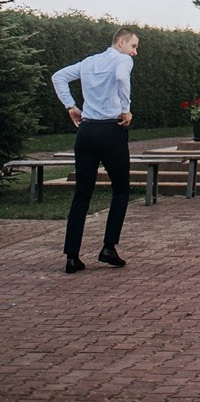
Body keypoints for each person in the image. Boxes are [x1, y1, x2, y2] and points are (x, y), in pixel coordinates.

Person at [51, 28, 140, 274]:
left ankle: (72, 256)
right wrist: (126, 109)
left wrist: (70, 106)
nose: (135, 52)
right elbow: (121, 78)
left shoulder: (89, 62)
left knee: (82, 193)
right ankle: (108, 247)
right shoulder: (123, 60)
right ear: (120, 43)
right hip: (111, 130)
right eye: (133, 46)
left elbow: (58, 77)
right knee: (121, 190)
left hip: (86, 131)